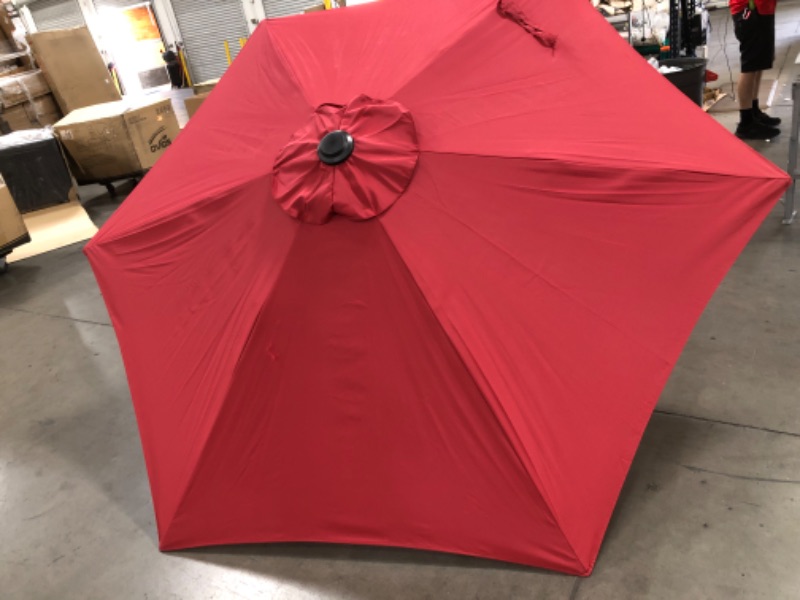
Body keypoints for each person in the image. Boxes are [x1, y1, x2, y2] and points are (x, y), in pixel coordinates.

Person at [730, 0, 781, 140]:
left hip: (762, 8)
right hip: (750, 10)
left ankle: (753, 111)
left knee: (758, 63)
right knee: (750, 65)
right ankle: (746, 123)